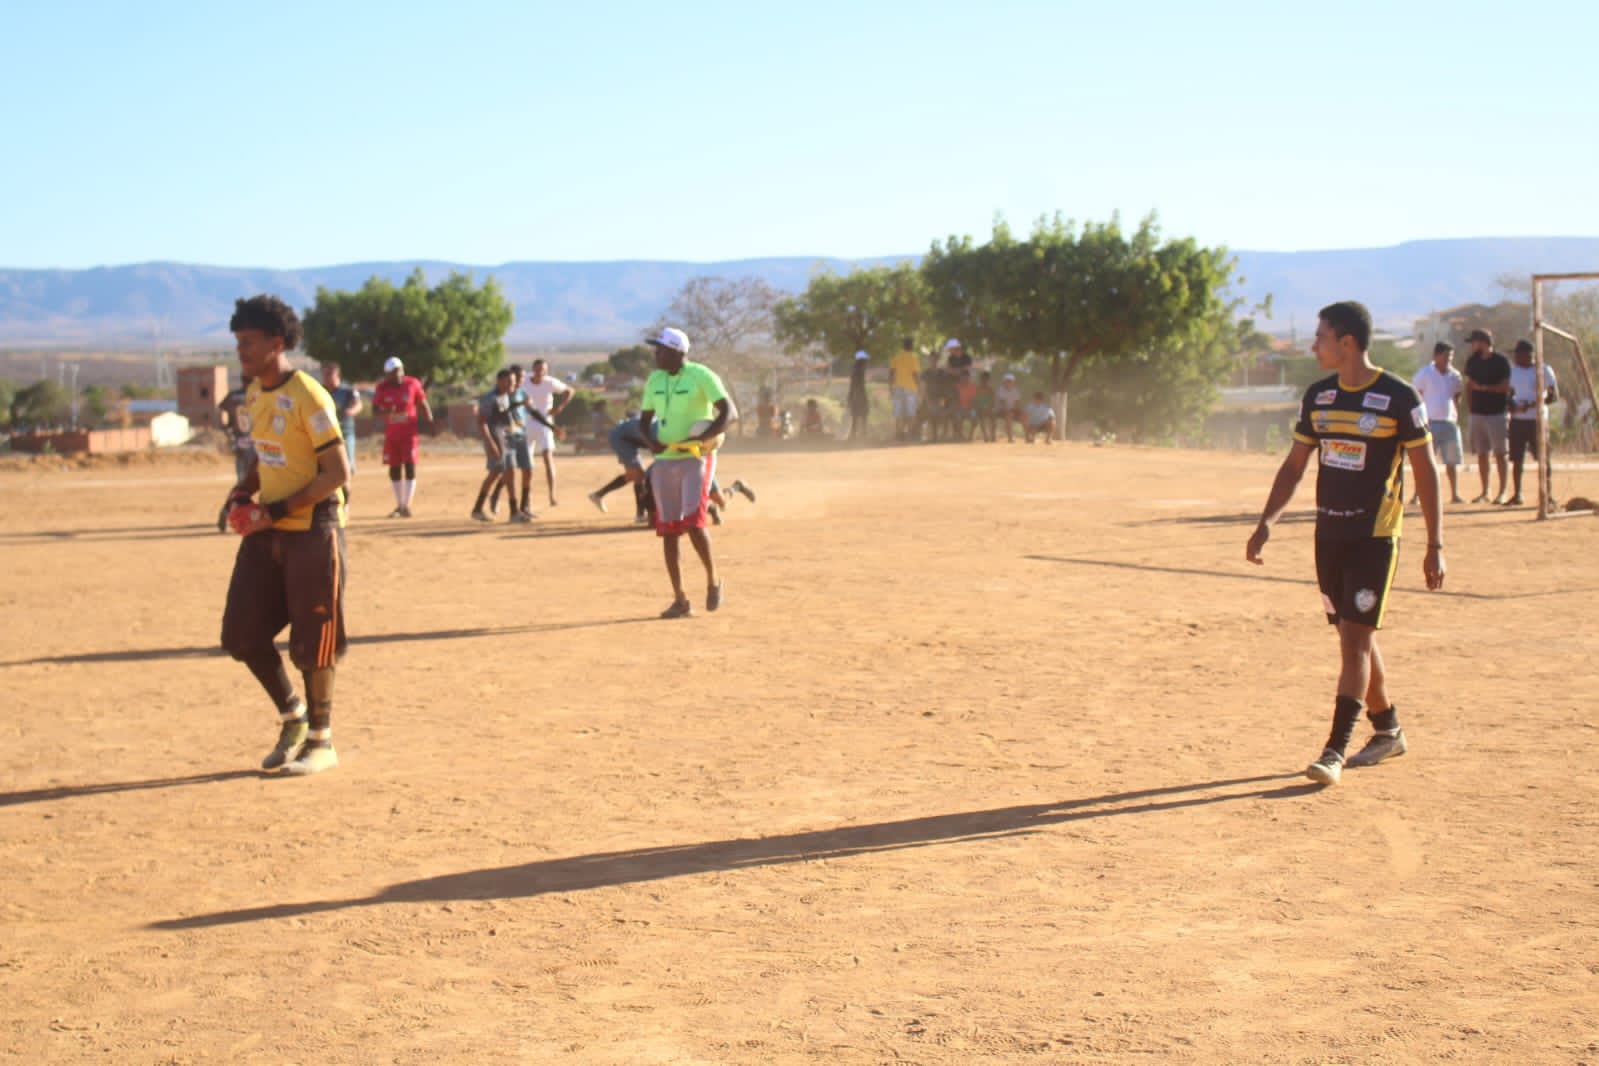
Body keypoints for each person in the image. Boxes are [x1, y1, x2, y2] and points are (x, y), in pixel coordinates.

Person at [1246, 300, 1444, 787]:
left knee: (1355, 639)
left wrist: (1435, 544)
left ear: (1347, 343)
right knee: (1354, 636)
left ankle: (1333, 751)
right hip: (1328, 536)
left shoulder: (1398, 398)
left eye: (1321, 337)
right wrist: (1267, 521)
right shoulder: (1319, 397)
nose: (1315, 346)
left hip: (1375, 536)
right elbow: (1295, 465)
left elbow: (1426, 471)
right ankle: (1388, 730)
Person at [219, 295, 351, 776]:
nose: (241, 351)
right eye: (238, 342)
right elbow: (265, 453)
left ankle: (322, 741)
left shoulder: (309, 396)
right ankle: (294, 716)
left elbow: (336, 472)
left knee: (314, 641)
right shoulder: (255, 393)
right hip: (267, 529)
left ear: (277, 343)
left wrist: (272, 511)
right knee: (241, 634)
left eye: (249, 342)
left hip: (313, 530)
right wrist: (242, 493)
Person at [638, 327, 733, 618]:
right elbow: (644, 420)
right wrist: (651, 442)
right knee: (669, 530)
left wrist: (707, 438)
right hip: (665, 460)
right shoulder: (655, 380)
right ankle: (680, 600)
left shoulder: (701, 375)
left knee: (694, 523)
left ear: (676, 352)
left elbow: (729, 413)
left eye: (661, 349)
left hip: (696, 458)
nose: (656, 354)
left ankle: (713, 579)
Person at [371, 356, 433, 517]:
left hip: (409, 434)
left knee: (410, 465)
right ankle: (400, 505)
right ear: (387, 374)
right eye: (394, 372)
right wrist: (386, 412)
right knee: (394, 468)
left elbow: (422, 402)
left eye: (400, 370)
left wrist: (429, 418)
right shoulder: (382, 388)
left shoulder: (412, 383)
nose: (398, 374)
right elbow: (375, 411)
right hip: (392, 435)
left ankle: (406, 505)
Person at [1410, 342, 1464, 504]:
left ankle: (1454, 494)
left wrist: (1454, 414)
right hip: (1429, 423)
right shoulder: (1424, 374)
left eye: (1451, 356)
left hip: (1449, 422)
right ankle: (1417, 495)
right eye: (1446, 355)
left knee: (1452, 461)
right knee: (1424, 462)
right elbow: (1416, 395)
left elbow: (1457, 396)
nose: (1448, 359)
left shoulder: (1455, 375)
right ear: (1436, 356)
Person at [1462, 327, 1512, 504]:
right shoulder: (1472, 362)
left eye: (1474, 342)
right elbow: (1469, 386)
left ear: (1483, 343)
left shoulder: (1501, 361)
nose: (1472, 346)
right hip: (1477, 414)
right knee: (1482, 454)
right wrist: (1471, 409)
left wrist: (1484, 388)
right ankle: (1485, 492)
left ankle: (1502, 492)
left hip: (1497, 413)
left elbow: (1506, 387)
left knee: (1500, 454)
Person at [1506, 339, 1558, 507]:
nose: (1516, 358)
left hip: (1537, 420)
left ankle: (1547, 495)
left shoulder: (1544, 370)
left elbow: (1553, 395)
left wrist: (1534, 404)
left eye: (1518, 354)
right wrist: (1514, 406)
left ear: (1528, 355)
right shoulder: (1513, 372)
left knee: (1543, 458)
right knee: (1517, 459)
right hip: (1518, 421)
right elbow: (1508, 395)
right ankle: (1517, 494)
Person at [471, 370, 521, 522]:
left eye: (513, 381)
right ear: (499, 381)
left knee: (507, 473)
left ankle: (512, 511)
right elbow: (481, 422)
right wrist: (491, 444)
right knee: (498, 473)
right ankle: (480, 509)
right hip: (495, 441)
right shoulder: (490, 398)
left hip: (505, 440)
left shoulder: (505, 396)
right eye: (509, 381)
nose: (512, 384)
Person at [522, 359, 573, 507]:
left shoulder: (550, 382)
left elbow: (569, 391)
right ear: (533, 369)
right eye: (538, 369)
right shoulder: (524, 381)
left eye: (543, 370)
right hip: (527, 423)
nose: (540, 372)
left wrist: (560, 407)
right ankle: (527, 498)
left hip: (545, 424)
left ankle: (552, 495)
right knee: (526, 463)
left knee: (548, 458)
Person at [589, 410, 656, 523]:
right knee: (639, 475)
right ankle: (640, 515)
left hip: (628, 438)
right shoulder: (659, 430)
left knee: (632, 475)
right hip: (621, 438)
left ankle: (598, 495)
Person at [488, 364, 535, 520]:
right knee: (510, 471)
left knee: (528, 470)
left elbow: (530, 410)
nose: (519, 381)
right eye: (517, 378)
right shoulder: (500, 396)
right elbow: (503, 413)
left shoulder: (522, 392)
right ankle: (511, 508)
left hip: (520, 434)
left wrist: (551, 426)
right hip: (506, 437)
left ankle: (524, 507)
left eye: (522, 378)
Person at [215, 374, 254, 531]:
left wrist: (227, 430)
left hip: (239, 443)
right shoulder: (259, 395)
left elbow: (220, 413)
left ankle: (228, 512)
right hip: (256, 444)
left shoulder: (233, 396)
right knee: (252, 483)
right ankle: (235, 514)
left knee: (242, 483)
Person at [320, 362, 362, 506]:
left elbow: (358, 404)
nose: (326, 377)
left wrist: (351, 411)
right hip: (325, 436)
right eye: (324, 374)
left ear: (337, 375)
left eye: (329, 374)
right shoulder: (319, 391)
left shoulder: (347, 391)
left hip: (345, 433)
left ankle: (345, 503)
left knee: (346, 468)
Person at [889, 337, 920, 441]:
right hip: (911, 388)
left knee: (899, 413)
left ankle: (899, 434)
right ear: (911, 346)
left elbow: (891, 373)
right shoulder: (913, 358)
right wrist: (919, 387)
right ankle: (909, 435)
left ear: (903, 346)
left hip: (898, 388)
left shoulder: (897, 357)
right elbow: (915, 374)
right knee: (911, 413)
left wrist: (890, 388)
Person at [846, 350, 870, 442]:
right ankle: (863, 435)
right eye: (865, 360)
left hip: (855, 395)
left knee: (855, 417)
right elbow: (859, 385)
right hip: (859, 395)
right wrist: (862, 396)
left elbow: (852, 385)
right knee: (863, 415)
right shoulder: (860, 370)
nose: (866, 362)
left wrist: (850, 396)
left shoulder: (855, 369)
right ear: (861, 360)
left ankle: (854, 436)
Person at [995, 372, 1024, 442]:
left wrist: (1018, 410)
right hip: (1001, 410)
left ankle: (1027, 436)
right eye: (1007, 381)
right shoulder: (1001, 390)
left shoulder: (1015, 390)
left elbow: (1017, 402)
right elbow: (1003, 404)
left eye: (1011, 381)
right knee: (1009, 415)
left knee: (1025, 415)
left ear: (1013, 382)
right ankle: (1010, 437)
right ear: (1004, 382)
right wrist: (1010, 411)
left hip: (1012, 410)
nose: (1009, 382)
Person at [974, 369, 998, 442]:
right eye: (983, 379)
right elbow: (975, 402)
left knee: (993, 416)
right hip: (979, 409)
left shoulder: (991, 390)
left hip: (989, 409)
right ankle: (985, 436)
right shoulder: (977, 389)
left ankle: (993, 435)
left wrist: (989, 408)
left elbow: (993, 402)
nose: (985, 381)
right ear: (981, 380)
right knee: (981, 416)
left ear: (988, 380)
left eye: (986, 379)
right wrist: (981, 408)